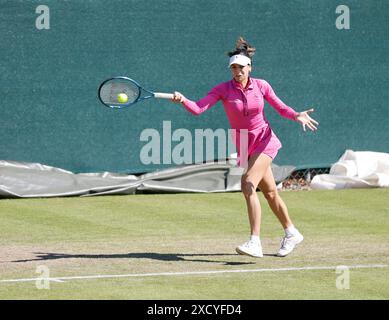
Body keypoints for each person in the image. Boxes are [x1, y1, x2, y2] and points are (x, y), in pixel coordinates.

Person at [171, 37, 319, 257]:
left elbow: (280, 107)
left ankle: (255, 241)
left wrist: (296, 114)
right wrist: (183, 100)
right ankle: (291, 232)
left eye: (240, 67)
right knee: (269, 193)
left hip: (265, 140)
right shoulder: (223, 89)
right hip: (244, 144)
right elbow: (198, 108)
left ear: (249, 67)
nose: (237, 71)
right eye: (233, 68)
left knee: (248, 183)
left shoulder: (262, 85)